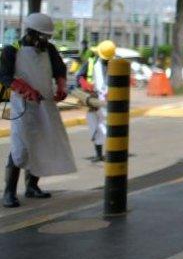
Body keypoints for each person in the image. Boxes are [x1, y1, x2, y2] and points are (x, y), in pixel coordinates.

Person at [1, 13, 76, 208]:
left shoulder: (49, 49)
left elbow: (59, 69)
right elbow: (5, 77)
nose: (46, 41)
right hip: (22, 106)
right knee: (21, 146)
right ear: (31, 33)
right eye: (42, 37)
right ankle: (9, 192)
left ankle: (32, 186)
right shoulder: (12, 50)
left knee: (41, 142)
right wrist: (25, 89)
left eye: (47, 37)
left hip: (45, 104)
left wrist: (61, 86)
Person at [76, 40, 115, 162]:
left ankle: (110, 153)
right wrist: (86, 86)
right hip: (93, 99)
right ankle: (98, 154)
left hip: (108, 102)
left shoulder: (116, 65)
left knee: (106, 127)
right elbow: (79, 77)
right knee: (94, 127)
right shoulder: (91, 62)